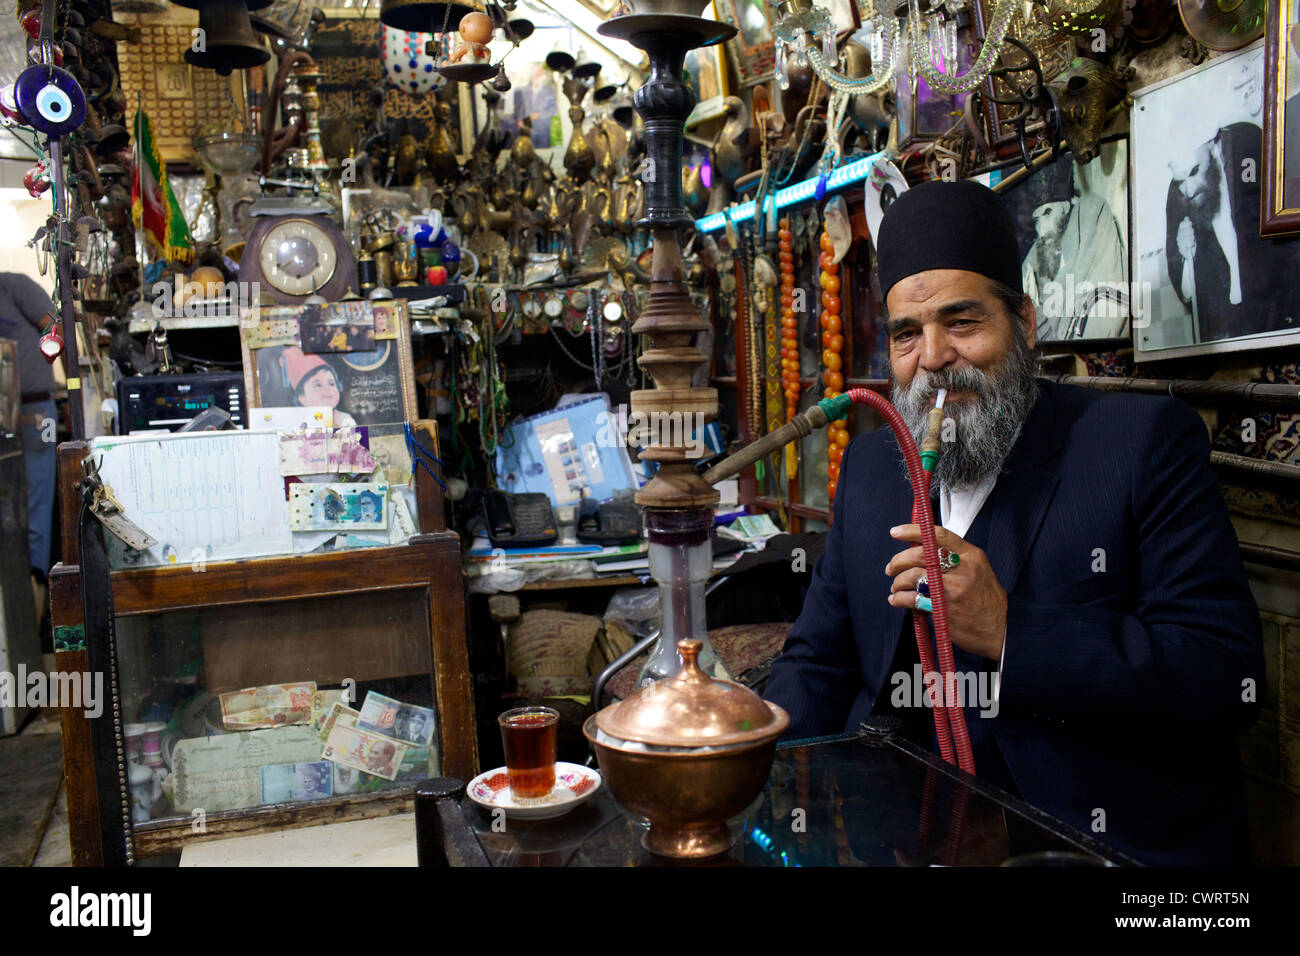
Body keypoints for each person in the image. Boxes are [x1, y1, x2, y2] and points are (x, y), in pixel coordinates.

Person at [764, 180, 1263, 866]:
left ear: (1024, 324)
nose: (933, 357)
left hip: (1086, 845)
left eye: (961, 322)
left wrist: (1009, 630)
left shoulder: (1138, 445)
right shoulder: (877, 469)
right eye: (908, 334)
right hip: (901, 836)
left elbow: (1225, 678)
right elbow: (819, 660)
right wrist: (745, 758)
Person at [0, 273, 58, 601]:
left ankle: (33, 602)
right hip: (7, 414)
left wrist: (34, 363)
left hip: (36, 414)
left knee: (37, 511)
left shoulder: (12, 286)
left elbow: (56, 330)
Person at [278, 347, 357, 428]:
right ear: (302, 398)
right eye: (318, 385)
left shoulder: (344, 419)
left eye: (331, 383)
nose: (327, 389)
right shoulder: (297, 423)